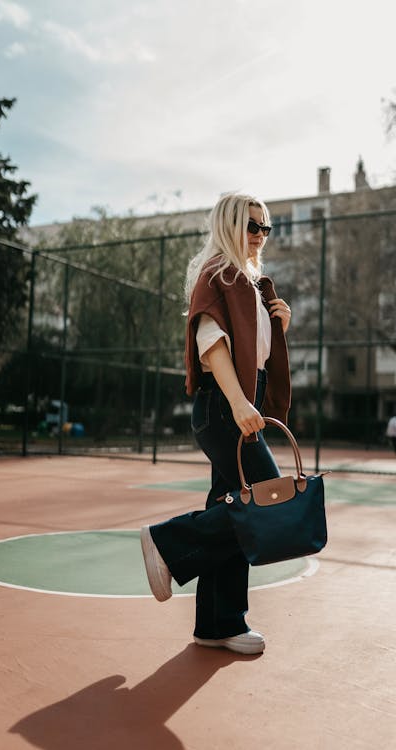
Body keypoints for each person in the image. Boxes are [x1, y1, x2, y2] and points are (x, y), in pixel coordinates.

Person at [140, 192, 292, 655]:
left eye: (265, 228)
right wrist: (241, 404)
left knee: (230, 506)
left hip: (238, 407)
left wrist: (277, 324)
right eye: (252, 226)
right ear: (229, 225)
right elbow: (212, 344)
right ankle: (167, 542)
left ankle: (217, 624)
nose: (260, 236)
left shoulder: (249, 281)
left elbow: (256, 354)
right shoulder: (219, 274)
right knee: (266, 499)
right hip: (225, 408)